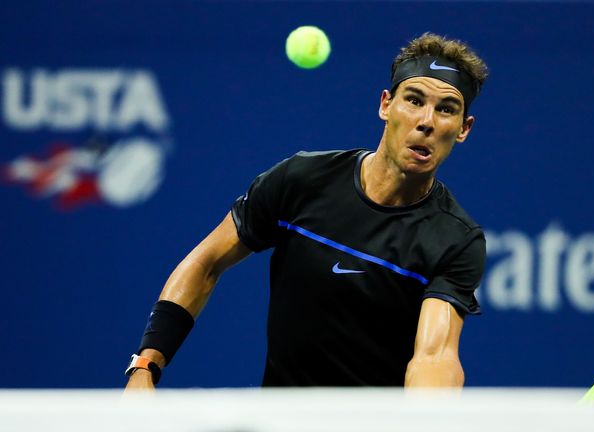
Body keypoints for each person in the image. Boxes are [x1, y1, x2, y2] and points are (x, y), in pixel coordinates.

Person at [124, 32, 489, 389]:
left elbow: (435, 356)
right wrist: (145, 366)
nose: (426, 121)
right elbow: (206, 263)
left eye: (446, 109)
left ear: (462, 129)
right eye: (413, 100)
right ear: (385, 105)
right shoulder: (301, 180)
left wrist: (428, 419)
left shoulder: (455, 238)